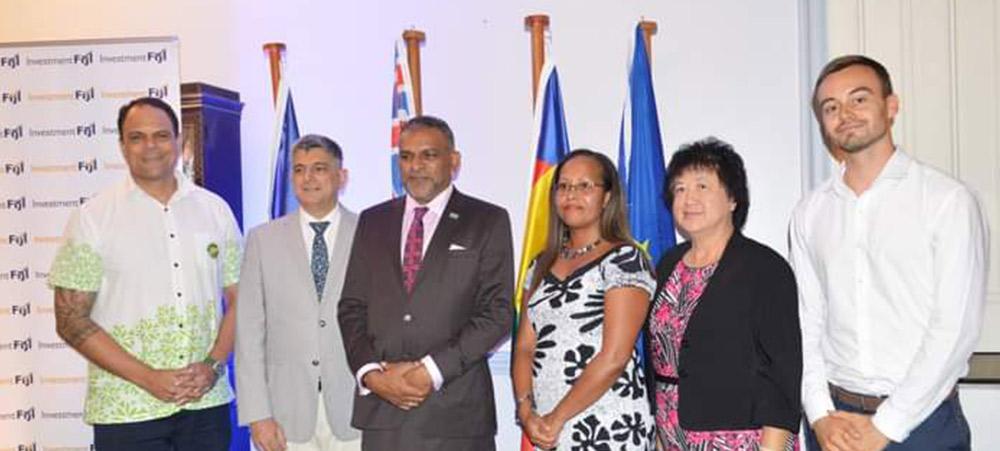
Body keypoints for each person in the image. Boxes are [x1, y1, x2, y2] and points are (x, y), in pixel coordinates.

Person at [792, 55, 988, 451]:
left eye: (858, 99)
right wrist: (818, 415)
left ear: (891, 106)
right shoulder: (810, 212)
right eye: (831, 107)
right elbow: (806, 323)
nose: (844, 114)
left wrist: (885, 426)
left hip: (923, 426)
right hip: (835, 425)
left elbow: (954, 328)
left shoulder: (946, 201)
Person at [49, 97, 240, 450]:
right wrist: (148, 379)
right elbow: (70, 319)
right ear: (122, 146)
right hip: (127, 411)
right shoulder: (94, 217)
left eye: (161, 135)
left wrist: (212, 366)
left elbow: (240, 299)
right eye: (137, 137)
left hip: (206, 405)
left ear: (179, 141)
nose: (150, 146)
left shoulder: (215, 210)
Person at [337, 115, 514, 451]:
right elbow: (351, 308)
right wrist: (372, 375)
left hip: (456, 415)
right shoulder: (373, 221)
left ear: (454, 161)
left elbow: (498, 313)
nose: (415, 166)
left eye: (428, 155)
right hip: (383, 413)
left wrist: (429, 372)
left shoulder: (487, 220)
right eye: (405, 156)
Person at [649, 138, 801, 451]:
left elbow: (782, 373)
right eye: (679, 189)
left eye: (702, 186)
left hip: (742, 439)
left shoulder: (765, 268)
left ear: (733, 198)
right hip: (672, 433)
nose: (688, 198)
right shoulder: (667, 265)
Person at [512, 149, 655, 451]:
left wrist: (557, 418)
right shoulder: (539, 265)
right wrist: (526, 412)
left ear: (606, 197)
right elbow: (524, 346)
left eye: (584, 186)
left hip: (609, 426)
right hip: (546, 430)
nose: (571, 194)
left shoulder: (625, 260)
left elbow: (614, 356)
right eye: (563, 186)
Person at [236, 134, 361, 451]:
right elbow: (249, 332)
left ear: (341, 176)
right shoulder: (262, 239)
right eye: (299, 169)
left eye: (319, 168)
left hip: (356, 411)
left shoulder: (371, 233)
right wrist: (257, 414)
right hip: (284, 414)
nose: (308, 178)